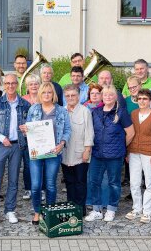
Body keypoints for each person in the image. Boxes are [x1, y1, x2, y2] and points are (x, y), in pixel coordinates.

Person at [0, 74, 31, 228]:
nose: (10, 86)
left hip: (17, 146)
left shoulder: (25, 104)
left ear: (17, 84)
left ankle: (10, 210)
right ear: (3, 85)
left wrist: (27, 130)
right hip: (0, 145)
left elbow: (31, 125)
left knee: (13, 180)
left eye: (13, 83)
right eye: (7, 83)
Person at [22, 82, 71, 225]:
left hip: (53, 153)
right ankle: (37, 211)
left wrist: (62, 144)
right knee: (36, 185)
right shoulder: (33, 109)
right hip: (36, 153)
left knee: (50, 185)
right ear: (40, 94)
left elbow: (67, 130)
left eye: (49, 92)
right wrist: (25, 130)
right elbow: (28, 129)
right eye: (44, 92)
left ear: (53, 94)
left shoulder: (61, 111)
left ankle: (49, 212)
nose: (46, 95)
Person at [85, 85, 135, 222]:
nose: (108, 97)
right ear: (102, 96)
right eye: (105, 94)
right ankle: (96, 210)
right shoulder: (95, 112)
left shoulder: (121, 112)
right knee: (94, 181)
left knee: (113, 182)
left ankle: (111, 209)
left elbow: (130, 133)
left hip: (114, 156)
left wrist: (121, 146)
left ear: (115, 97)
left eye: (111, 94)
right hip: (97, 154)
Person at [126, 89, 151, 223]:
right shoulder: (133, 114)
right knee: (134, 183)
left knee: (149, 183)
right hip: (134, 153)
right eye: (140, 98)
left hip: (150, 153)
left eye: (145, 99)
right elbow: (130, 134)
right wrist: (128, 152)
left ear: (150, 101)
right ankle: (137, 208)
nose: (142, 101)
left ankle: (147, 211)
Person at [62, 84, 94, 217]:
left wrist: (87, 150)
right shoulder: (62, 111)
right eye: (68, 96)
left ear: (79, 96)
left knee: (80, 182)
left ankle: (80, 210)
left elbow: (89, 132)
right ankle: (71, 207)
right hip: (65, 154)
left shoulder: (85, 111)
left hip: (81, 153)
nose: (70, 98)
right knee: (69, 183)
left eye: (73, 95)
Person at [21, 73, 41, 200]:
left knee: (41, 163)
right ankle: (28, 188)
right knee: (27, 164)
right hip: (26, 137)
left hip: (41, 138)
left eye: (36, 83)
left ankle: (42, 189)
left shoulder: (44, 98)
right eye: (31, 84)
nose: (33, 86)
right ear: (27, 86)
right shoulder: (22, 99)